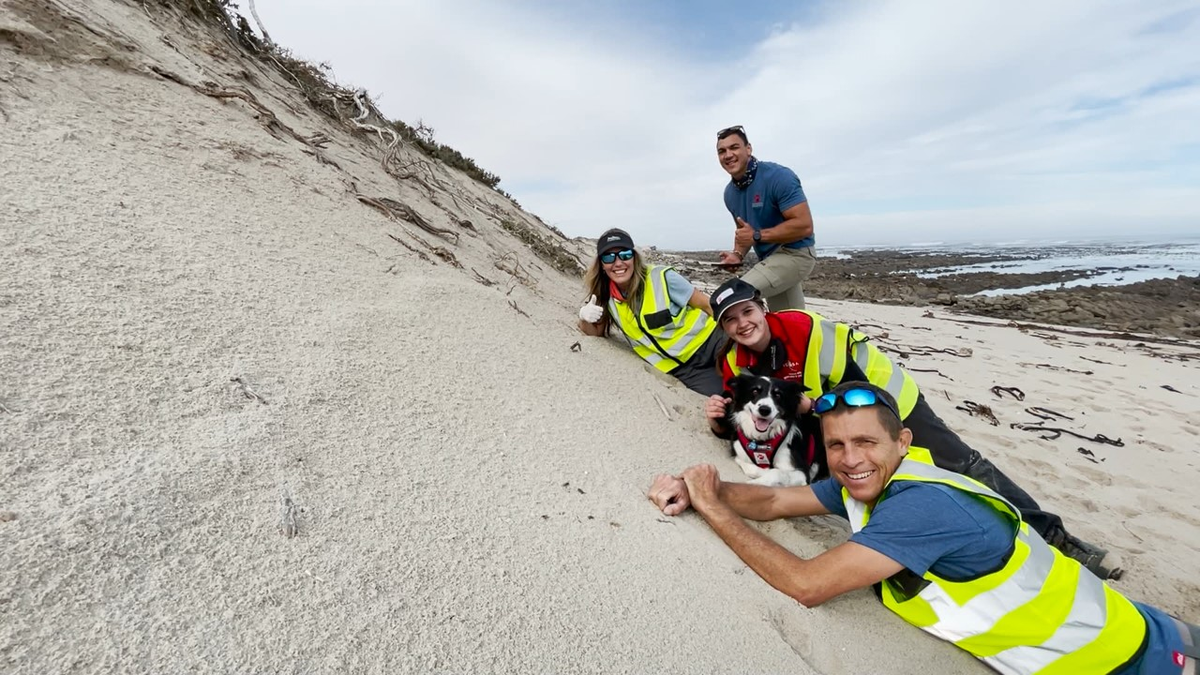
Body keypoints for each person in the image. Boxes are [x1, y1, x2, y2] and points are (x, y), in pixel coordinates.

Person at [649, 382, 1199, 675]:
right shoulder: (871, 479)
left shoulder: (923, 509)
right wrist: (700, 486)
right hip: (1135, 622)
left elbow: (806, 585)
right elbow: (773, 502)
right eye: (836, 445)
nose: (848, 459)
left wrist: (715, 510)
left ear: (903, 442)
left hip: (1119, 663)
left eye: (865, 442)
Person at [702, 277, 1112, 575]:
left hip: (886, 397)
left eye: (747, 311)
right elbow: (741, 418)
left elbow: (852, 384)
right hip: (832, 419)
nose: (742, 324)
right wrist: (720, 420)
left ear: (762, 308)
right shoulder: (733, 362)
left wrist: (812, 406)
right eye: (730, 319)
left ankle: (1056, 538)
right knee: (865, 482)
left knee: (960, 465)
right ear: (723, 327)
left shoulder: (805, 330)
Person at [578, 228, 726, 396]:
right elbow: (595, 332)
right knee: (730, 400)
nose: (618, 263)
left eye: (625, 254)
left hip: (713, 343)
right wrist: (584, 316)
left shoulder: (661, 277)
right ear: (602, 264)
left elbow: (707, 305)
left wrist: (736, 331)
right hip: (685, 370)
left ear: (634, 258)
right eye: (609, 257)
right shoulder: (605, 296)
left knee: (752, 379)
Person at [715, 125, 817, 311]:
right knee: (790, 323)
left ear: (748, 149)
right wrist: (737, 254)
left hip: (796, 254)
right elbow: (744, 232)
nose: (728, 155)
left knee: (734, 297)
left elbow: (804, 226)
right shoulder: (730, 193)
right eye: (722, 151)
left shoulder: (778, 176)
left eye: (734, 147)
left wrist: (756, 236)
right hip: (769, 259)